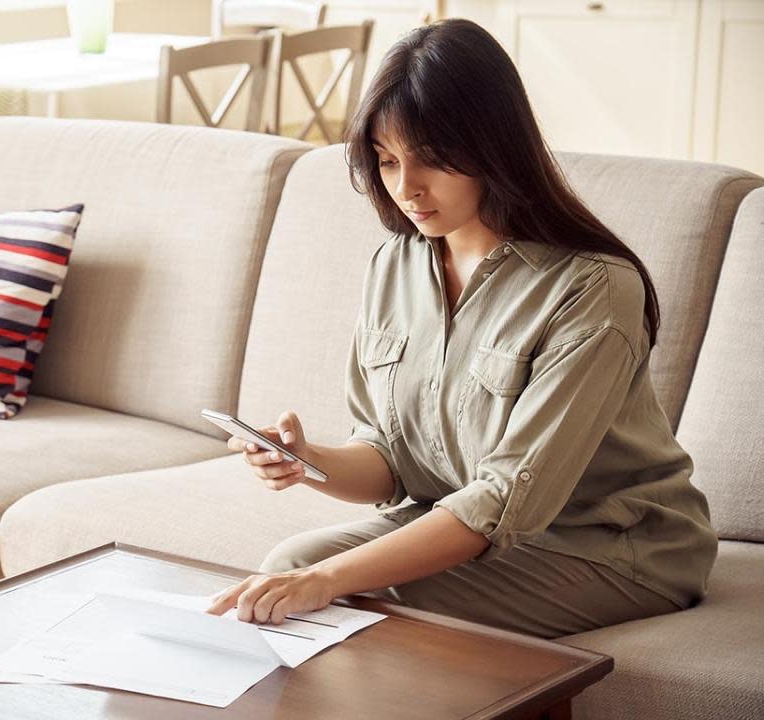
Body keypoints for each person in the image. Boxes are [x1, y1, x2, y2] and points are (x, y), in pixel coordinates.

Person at [204, 18, 717, 639]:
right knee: (287, 569)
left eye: (431, 162)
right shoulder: (398, 263)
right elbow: (391, 460)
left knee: (335, 598)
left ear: (492, 148)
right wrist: (307, 460)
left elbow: (502, 500)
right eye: (387, 161)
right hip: (465, 525)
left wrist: (328, 580)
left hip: (608, 548)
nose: (405, 188)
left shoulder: (593, 288)